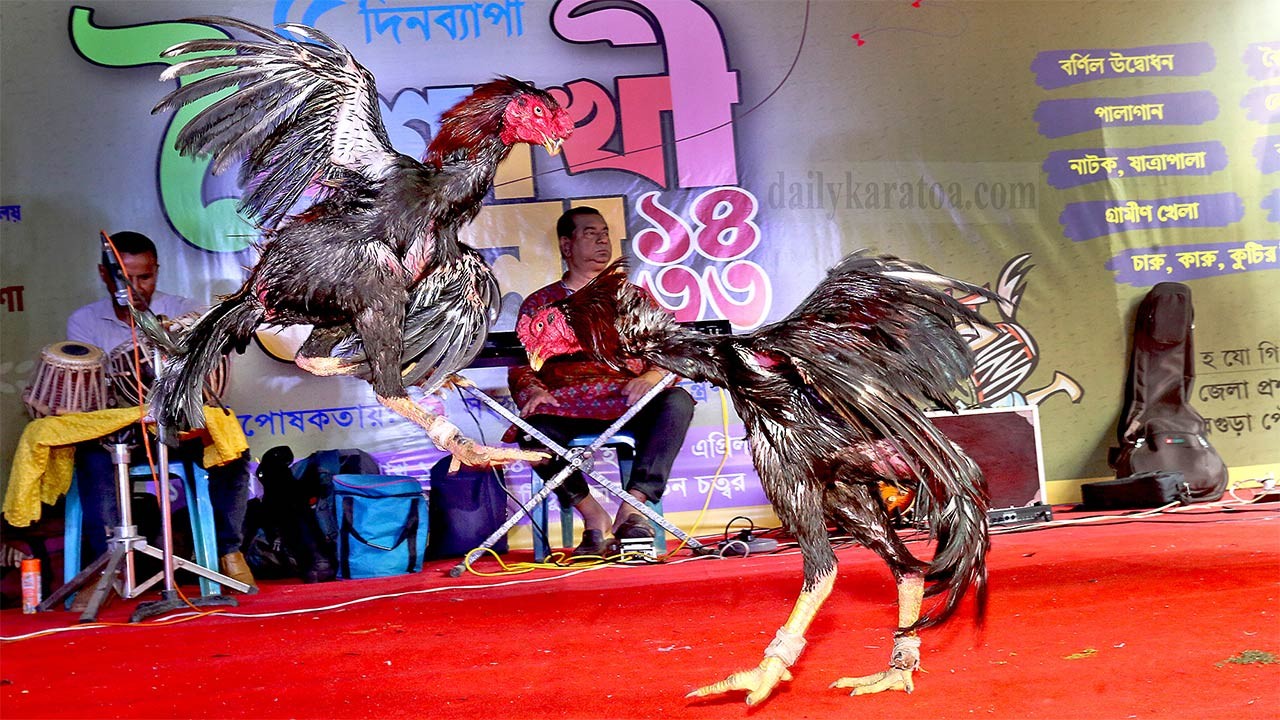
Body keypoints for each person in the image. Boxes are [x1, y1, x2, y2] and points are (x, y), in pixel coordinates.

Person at [67, 231, 256, 592]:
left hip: (177, 428)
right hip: (122, 434)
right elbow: (89, 392)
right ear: (105, 274)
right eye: (126, 278)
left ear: (157, 271)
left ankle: (228, 551)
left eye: (145, 277)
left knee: (229, 447)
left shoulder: (185, 311)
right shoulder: (85, 322)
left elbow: (210, 371)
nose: (137, 287)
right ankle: (105, 566)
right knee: (92, 455)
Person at [507, 208, 695, 557]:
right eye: (590, 233)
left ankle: (632, 510)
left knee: (677, 402)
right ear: (567, 245)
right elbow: (521, 366)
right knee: (531, 431)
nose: (602, 240)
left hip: (627, 398)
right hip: (565, 403)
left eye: (605, 233)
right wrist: (534, 391)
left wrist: (653, 376)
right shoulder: (540, 303)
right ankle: (595, 519)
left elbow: (670, 349)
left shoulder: (633, 298)